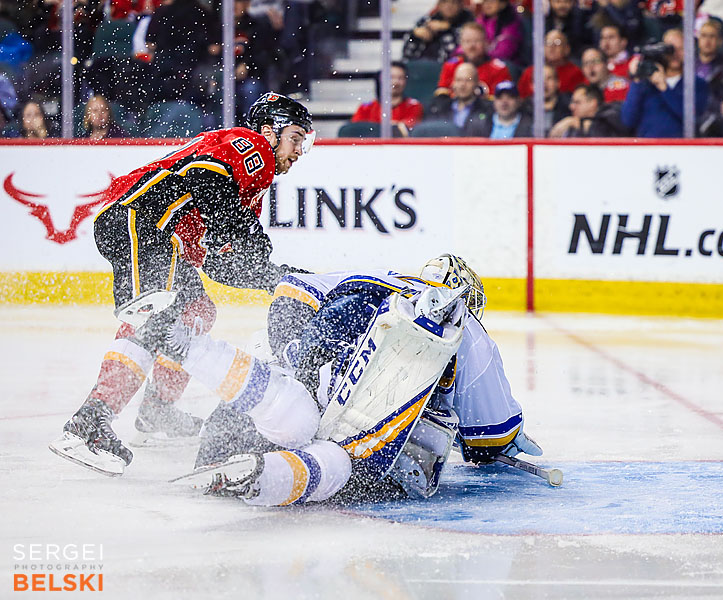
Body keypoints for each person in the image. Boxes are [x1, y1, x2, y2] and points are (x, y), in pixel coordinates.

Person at [49, 93, 316, 477]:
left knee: (196, 310)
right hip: (139, 222)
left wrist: (272, 276)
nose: (299, 151)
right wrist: (245, 233)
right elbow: (206, 178)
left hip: (154, 234)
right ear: (269, 131)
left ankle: (158, 412)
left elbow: (217, 260)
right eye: (295, 138)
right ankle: (87, 425)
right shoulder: (251, 145)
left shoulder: (249, 188)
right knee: (153, 315)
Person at [174, 256, 542, 505]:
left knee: (288, 400)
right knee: (346, 466)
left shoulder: (373, 275)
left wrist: (292, 348)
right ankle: (265, 478)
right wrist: (502, 443)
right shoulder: (466, 325)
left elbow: (292, 288)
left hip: (322, 351)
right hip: (365, 417)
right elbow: (489, 435)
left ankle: (196, 365)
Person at [621, 28, 709, 138]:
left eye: (680, 49)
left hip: (681, 149)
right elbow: (627, 120)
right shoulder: (645, 83)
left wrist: (664, 88)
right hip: (647, 149)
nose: (675, 54)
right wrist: (637, 81)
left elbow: (692, 119)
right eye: (669, 49)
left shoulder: (697, 84)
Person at [435, 22, 512, 97]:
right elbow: (442, 94)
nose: (472, 46)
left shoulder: (499, 70)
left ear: (486, 43)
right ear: (461, 44)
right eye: (467, 41)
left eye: (476, 41)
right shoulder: (451, 66)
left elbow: (502, 101)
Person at [351, 61, 425, 134]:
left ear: (405, 81)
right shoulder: (365, 108)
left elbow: (408, 129)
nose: (395, 82)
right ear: (381, 79)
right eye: (391, 77)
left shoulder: (414, 106)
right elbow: (355, 131)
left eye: (400, 78)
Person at [427, 61, 494, 135]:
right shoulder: (441, 109)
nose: (462, 85)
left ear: (476, 83)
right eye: (459, 80)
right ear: (453, 83)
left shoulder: (487, 110)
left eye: (468, 80)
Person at [517, 30, 586, 98]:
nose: (552, 47)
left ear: (567, 49)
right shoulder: (530, 72)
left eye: (557, 43)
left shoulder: (576, 73)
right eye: (548, 43)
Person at [402, 0, 474, 63]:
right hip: (422, 64)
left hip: (451, 66)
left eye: (454, 2)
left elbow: (458, 52)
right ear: (439, 4)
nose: (449, 6)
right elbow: (406, 50)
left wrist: (448, 29)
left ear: (461, 5)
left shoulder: (469, 21)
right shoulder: (428, 20)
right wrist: (414, 35)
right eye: (444, 2)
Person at [549, 83, 626, 137]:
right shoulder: (575, 122)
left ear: (593, 103)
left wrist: (583, 125)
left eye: (577, 102)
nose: (571, 106)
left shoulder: (612, 116)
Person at [523, 65, 572, 135]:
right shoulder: (523, 108)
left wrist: (572, 120)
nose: (544, 83)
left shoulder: (569, 106)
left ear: (558, 83)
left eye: (549, 78)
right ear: (532, 85)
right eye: (539, 79)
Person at [476, 0, 523, 65]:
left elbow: (505, 51)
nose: (487, 5)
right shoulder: (480, 21)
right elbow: (467, 41)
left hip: (504, 65)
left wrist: (480, 53)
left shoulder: (511, 23)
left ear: (503, 4)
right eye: (485, 2)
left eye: (491, 1)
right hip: (481, 60)